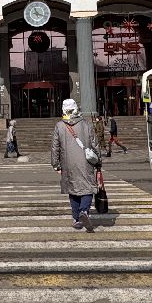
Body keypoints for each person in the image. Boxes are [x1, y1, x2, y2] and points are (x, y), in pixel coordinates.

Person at [52, 97, 100, 232]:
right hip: (86, 162)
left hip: (67, 163)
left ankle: (77, 219)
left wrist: (55, 164)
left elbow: (55, 147)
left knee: (72, 189)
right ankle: (84, 210)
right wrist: (98, 161)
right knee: (87, 187)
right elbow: (95, 143)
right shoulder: (86, 124)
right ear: (76, 109)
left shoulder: (59, 126)